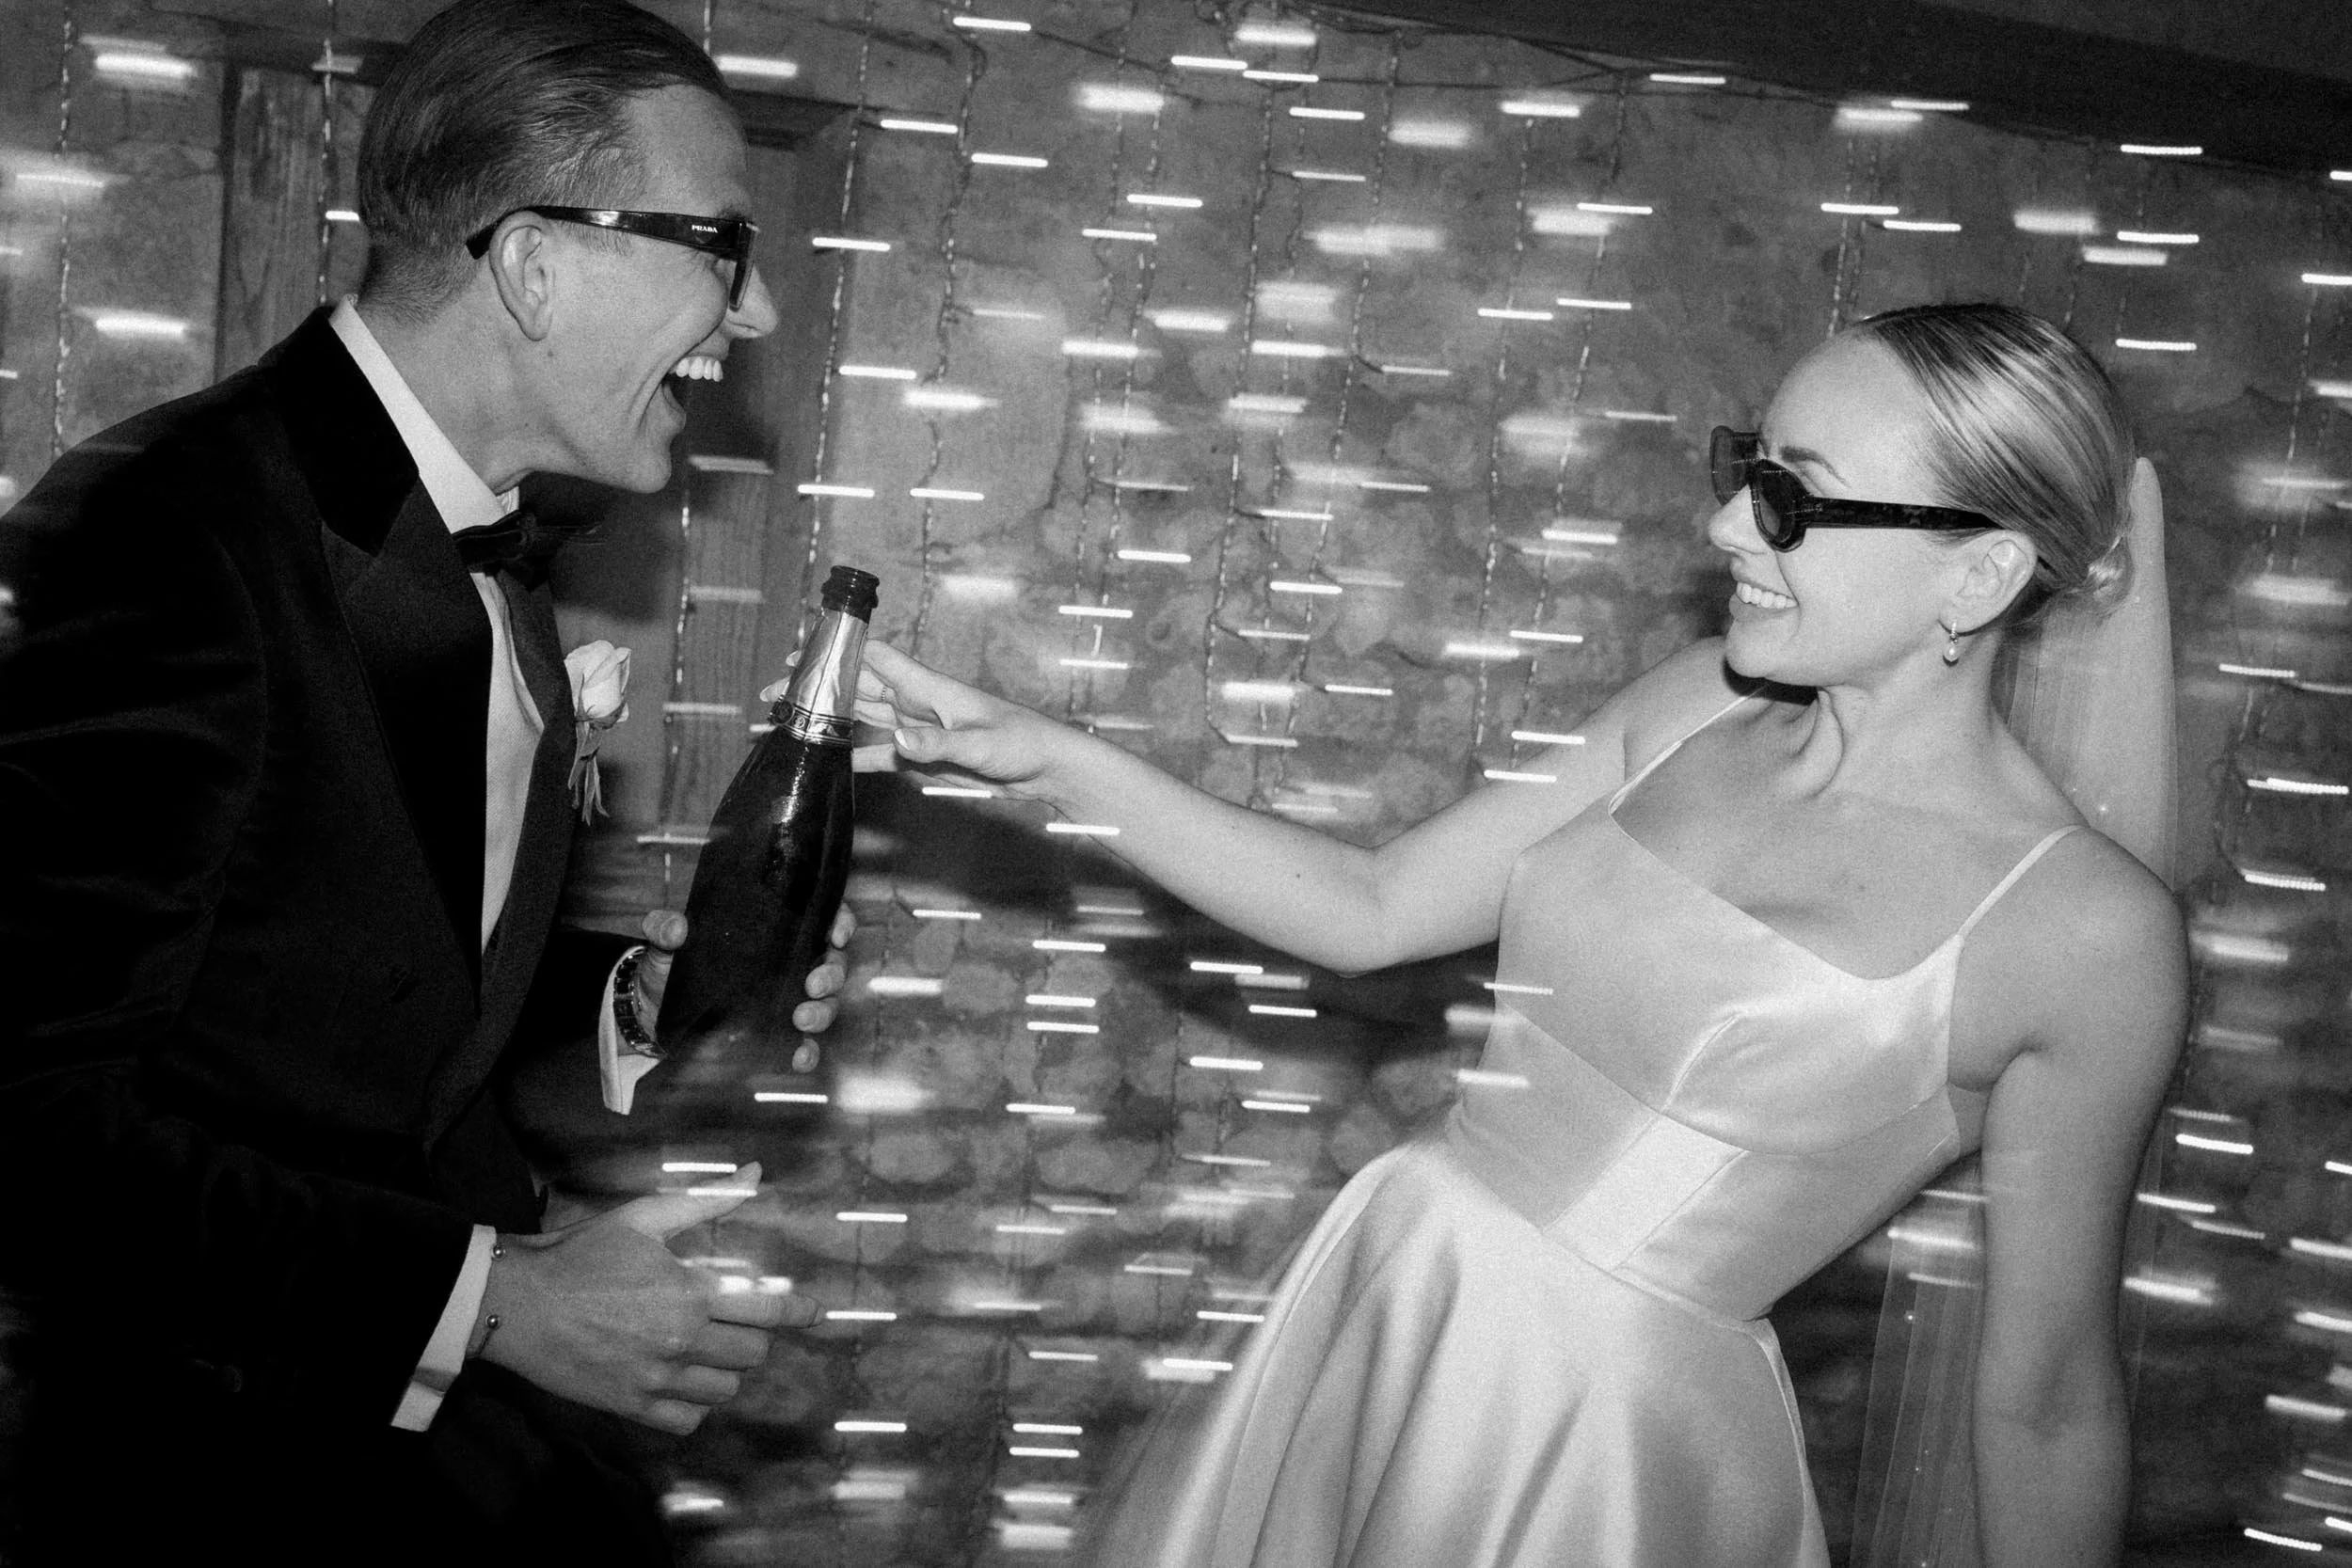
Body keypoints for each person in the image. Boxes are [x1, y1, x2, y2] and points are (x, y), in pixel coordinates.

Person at [846, 303, 2187, 1566]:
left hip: (1600, 1435)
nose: (1727, 523)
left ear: (1981, 573)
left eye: (1792, 497)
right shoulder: (1700, 706)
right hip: (1397, 1287)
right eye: (1747, 468)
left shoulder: (2085, 935)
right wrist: (1045, 758)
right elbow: (1371, 907)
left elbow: (2047, 1395)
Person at [0, 1, 845, 1561]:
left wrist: (630, 1001)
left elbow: (354, 989)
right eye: (723, 246)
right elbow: (27, 1119)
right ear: (533, 264)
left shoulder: (495, 537)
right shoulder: (165, 533)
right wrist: (497, 1299)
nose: (761, 307)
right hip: (184, 1475)